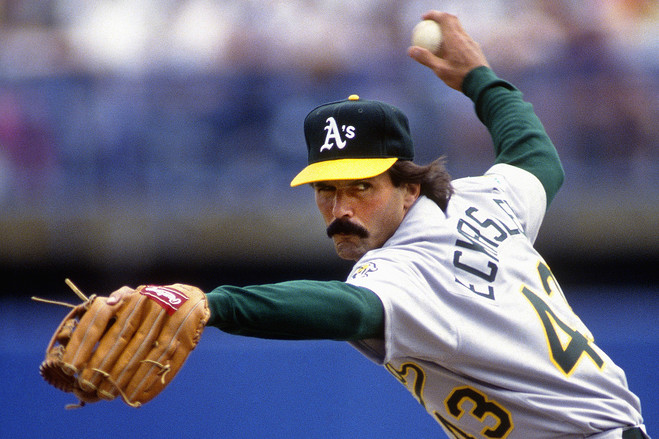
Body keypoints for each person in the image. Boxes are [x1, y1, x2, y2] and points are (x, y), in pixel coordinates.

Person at [108, 11, 648, 439]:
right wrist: (480, 80)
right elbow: (537, 159)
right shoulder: (481, 198)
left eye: (362, 187)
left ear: (409, 186)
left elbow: (347, 308)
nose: (341, 208)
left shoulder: (405, 269)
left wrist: (213, 304)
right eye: (326, 190)